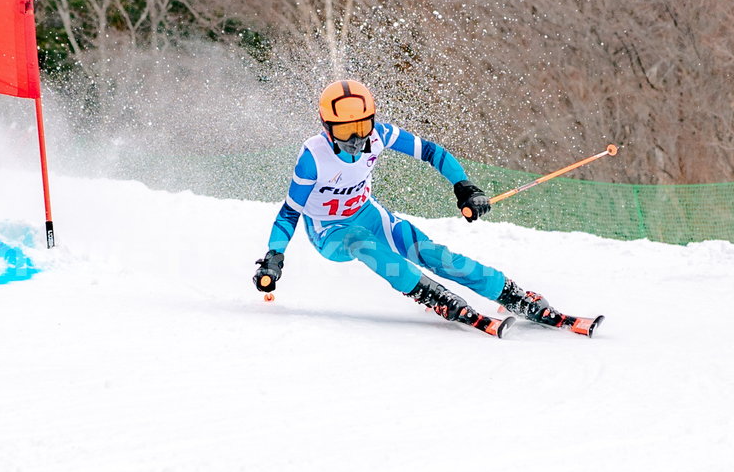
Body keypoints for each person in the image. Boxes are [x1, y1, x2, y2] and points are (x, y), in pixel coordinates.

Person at [253, 81, 601, 337]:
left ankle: (510, 294)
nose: (357, 140)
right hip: (330, 232)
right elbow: (289, 213)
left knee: (430, 252)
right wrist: (274, 255)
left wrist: (463, 186)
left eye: (363, 127)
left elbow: (432, 152)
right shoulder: (313, 157)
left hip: (369, 213)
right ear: (327, 127)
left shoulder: (380, 136)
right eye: (346, 131)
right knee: (361, 241)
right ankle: (432, 295)